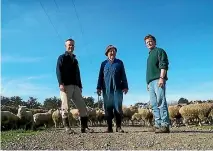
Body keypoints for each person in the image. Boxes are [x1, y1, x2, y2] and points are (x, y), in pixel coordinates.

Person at [56, 38, 93, 134]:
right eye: (69, 45)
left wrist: (80, 86)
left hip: (76, 86)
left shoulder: (75, 60)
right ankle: (67, 128)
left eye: (72, 45)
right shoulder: (62, 57)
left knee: (82, 106)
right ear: (66, 46)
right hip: (65, 86)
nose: (71, 46)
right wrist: (60, 83)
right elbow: (58, 70)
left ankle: (84, 127)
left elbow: (78, 74)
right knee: (65, 106)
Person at [96, 45, 129, 133]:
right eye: (110, 51)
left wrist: (125, 86)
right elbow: (100, 76)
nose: (112, 52)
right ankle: (109, 127)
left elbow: (123, 75)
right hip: (106, 90)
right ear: (107, 53)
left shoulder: (119, 63)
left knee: (118, 108)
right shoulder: (103, 64)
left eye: (114, 51)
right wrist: (98, 87)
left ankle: (118, 127)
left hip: (117, 89)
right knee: (108, 109)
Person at [144, 34, 170, 133]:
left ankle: (165, 125)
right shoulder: (149, 55)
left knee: (161, 101)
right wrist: (148, 83)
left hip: (158, 80)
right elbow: (149, 71)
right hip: (151, 83)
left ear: (154, 42)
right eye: (147, 42)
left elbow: (163, 64)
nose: (148, 43)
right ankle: (157, 124)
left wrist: (161, 77)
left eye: (150, 41)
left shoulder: (159, 51)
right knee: (154, 104)